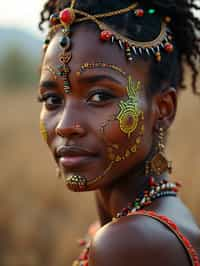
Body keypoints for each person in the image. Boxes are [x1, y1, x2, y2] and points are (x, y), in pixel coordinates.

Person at [38, 0, 200, 265]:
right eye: (52, 100)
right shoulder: (147, 228)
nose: (64, 125)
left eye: (99, 95)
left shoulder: (130, 241)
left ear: (163, 109)